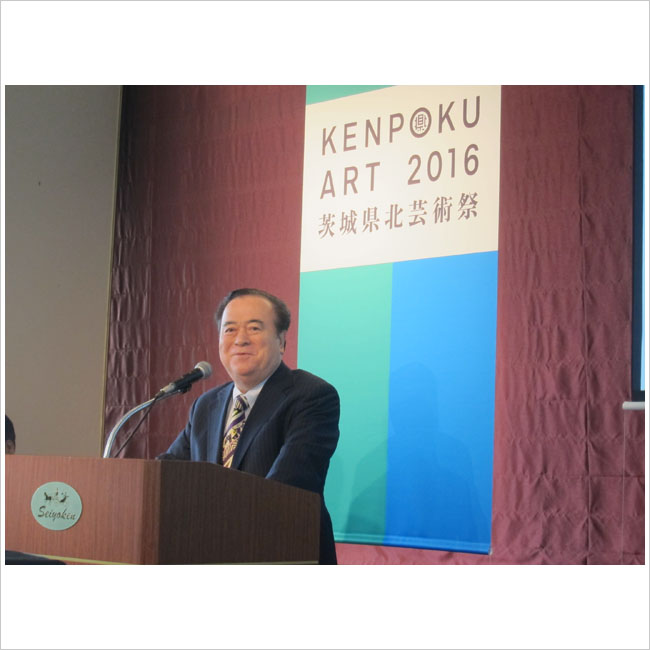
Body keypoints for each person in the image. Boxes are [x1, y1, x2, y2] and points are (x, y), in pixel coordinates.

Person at [158, 288, 341, 564]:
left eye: (254, 328)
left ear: (281, 341)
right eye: (230, 330)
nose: (240, 339)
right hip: (209, 555)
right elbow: (169, 473)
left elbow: (286, 487)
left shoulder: (311, 396)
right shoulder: (206, 405)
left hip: (283, 556)